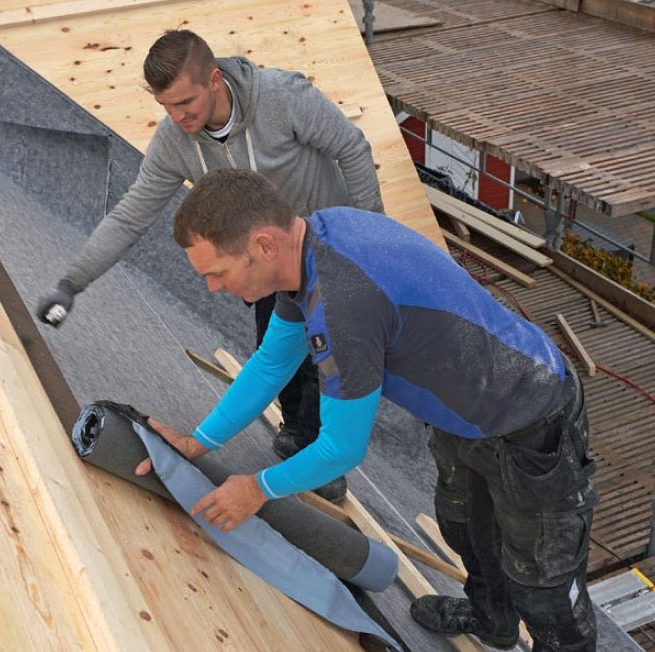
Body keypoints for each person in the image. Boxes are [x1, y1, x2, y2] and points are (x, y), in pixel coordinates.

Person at [136, 168, 598, 651]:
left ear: (264, 245)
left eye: (217, 273)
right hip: (464, 413)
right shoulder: (310, 248)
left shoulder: (343, 303)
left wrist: (255, 489)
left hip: (531, 417)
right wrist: (197, 442)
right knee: (465, 526)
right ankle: (492, 620)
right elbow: (271, 364)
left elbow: (342, 449)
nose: (213, 288)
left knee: (542, 582)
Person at [36, 30, 384, 502]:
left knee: (326, 355)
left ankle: (316, 453)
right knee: (276, 347)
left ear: (215, 80)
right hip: (260, 263)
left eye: (186, 102)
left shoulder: (282, 98)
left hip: (328, 245)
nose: (178, 117)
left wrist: (367, 240)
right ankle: (297, 431)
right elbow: (132, 215)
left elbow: (352, 148)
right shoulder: (175, 141)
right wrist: (71, 282)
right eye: (166, 107)